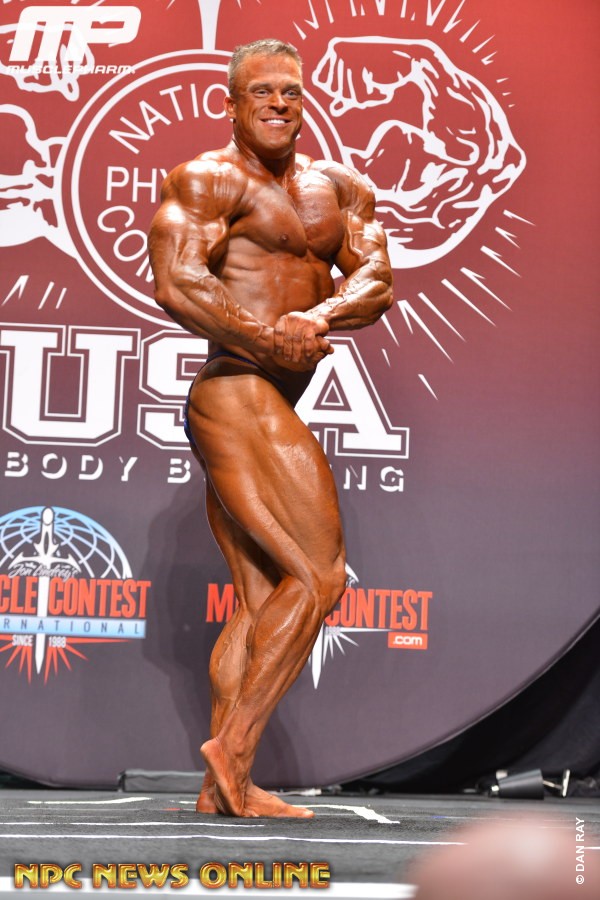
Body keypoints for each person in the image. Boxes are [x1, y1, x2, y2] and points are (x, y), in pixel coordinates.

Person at [148, 38, 393, 818]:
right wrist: (266, 340)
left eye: (291, 91)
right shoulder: (207, 180)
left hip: (270, 397)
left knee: (261, 601)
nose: (280, 103)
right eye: (262, 92)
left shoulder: (341, 188)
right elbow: (176, 281)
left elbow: (376, 279)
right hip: (235, 389)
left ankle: (225, 791)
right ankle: (236, 747)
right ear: (230, 104)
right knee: (321, 577)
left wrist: (316, 317)